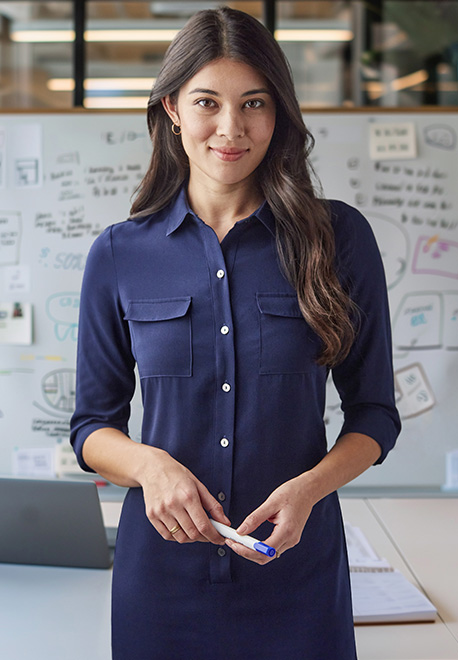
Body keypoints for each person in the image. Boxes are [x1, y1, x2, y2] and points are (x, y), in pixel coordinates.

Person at [70, 6, 401, 660]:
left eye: (254, 103)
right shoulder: (119, 254)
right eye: (206, 103)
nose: (231, 128)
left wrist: (311, 487)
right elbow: (90, 427)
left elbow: (375, 416)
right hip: (160, 582)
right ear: (170, 108)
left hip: (297, 575)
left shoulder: (339, 240)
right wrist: (149, 465)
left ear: (279, 113)